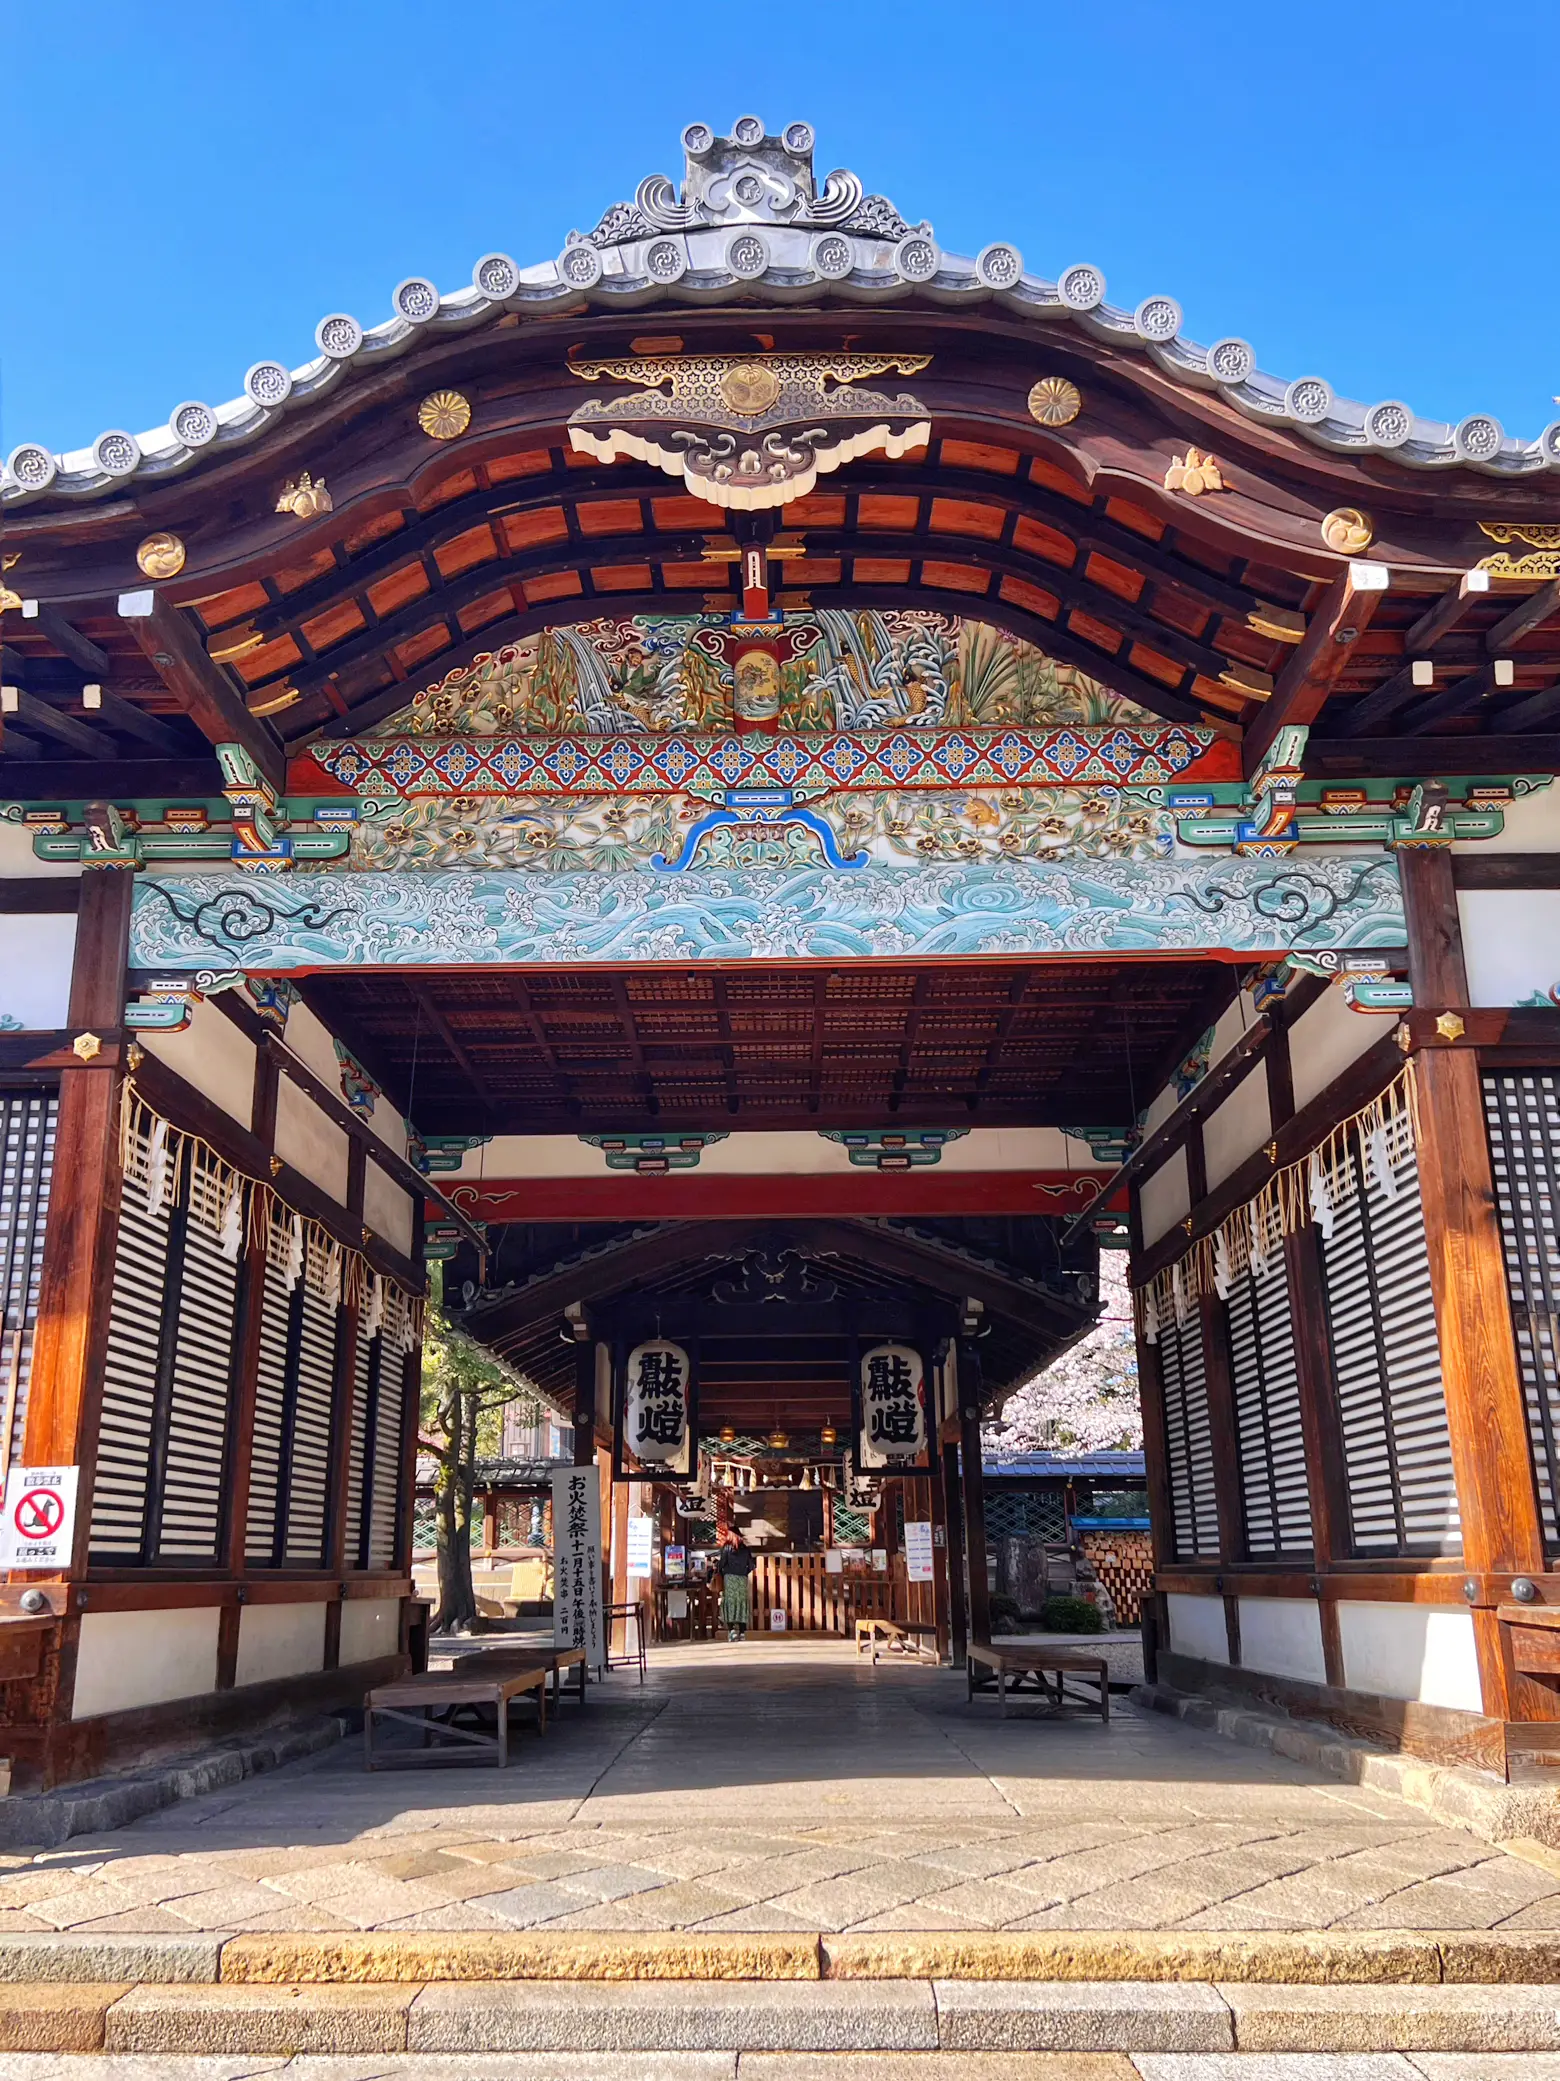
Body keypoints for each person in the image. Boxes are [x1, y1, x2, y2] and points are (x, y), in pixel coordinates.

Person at [717, 1528, 755, 1641]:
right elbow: (752, 1566)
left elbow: (722, 1564)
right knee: (741, 1602)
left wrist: (721, 1572)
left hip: (729, 1578)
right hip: (742, 1578)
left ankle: (732, 1630)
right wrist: (744, 1572)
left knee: (730, 1602)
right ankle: (742, 1632)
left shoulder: (727, 1548)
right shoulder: (745, 1549)